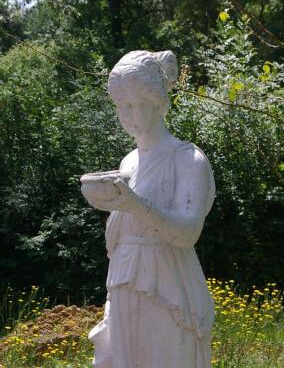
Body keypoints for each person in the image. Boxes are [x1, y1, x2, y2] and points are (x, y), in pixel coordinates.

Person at [81, 50, 216, 368]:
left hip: (167, 283)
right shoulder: (128, 162)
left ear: (158, 102)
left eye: (138, 103)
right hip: (124, 279)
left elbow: (188, 233)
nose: (131, 114)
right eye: (122, 105)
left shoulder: (188, 160)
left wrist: (134, 205)